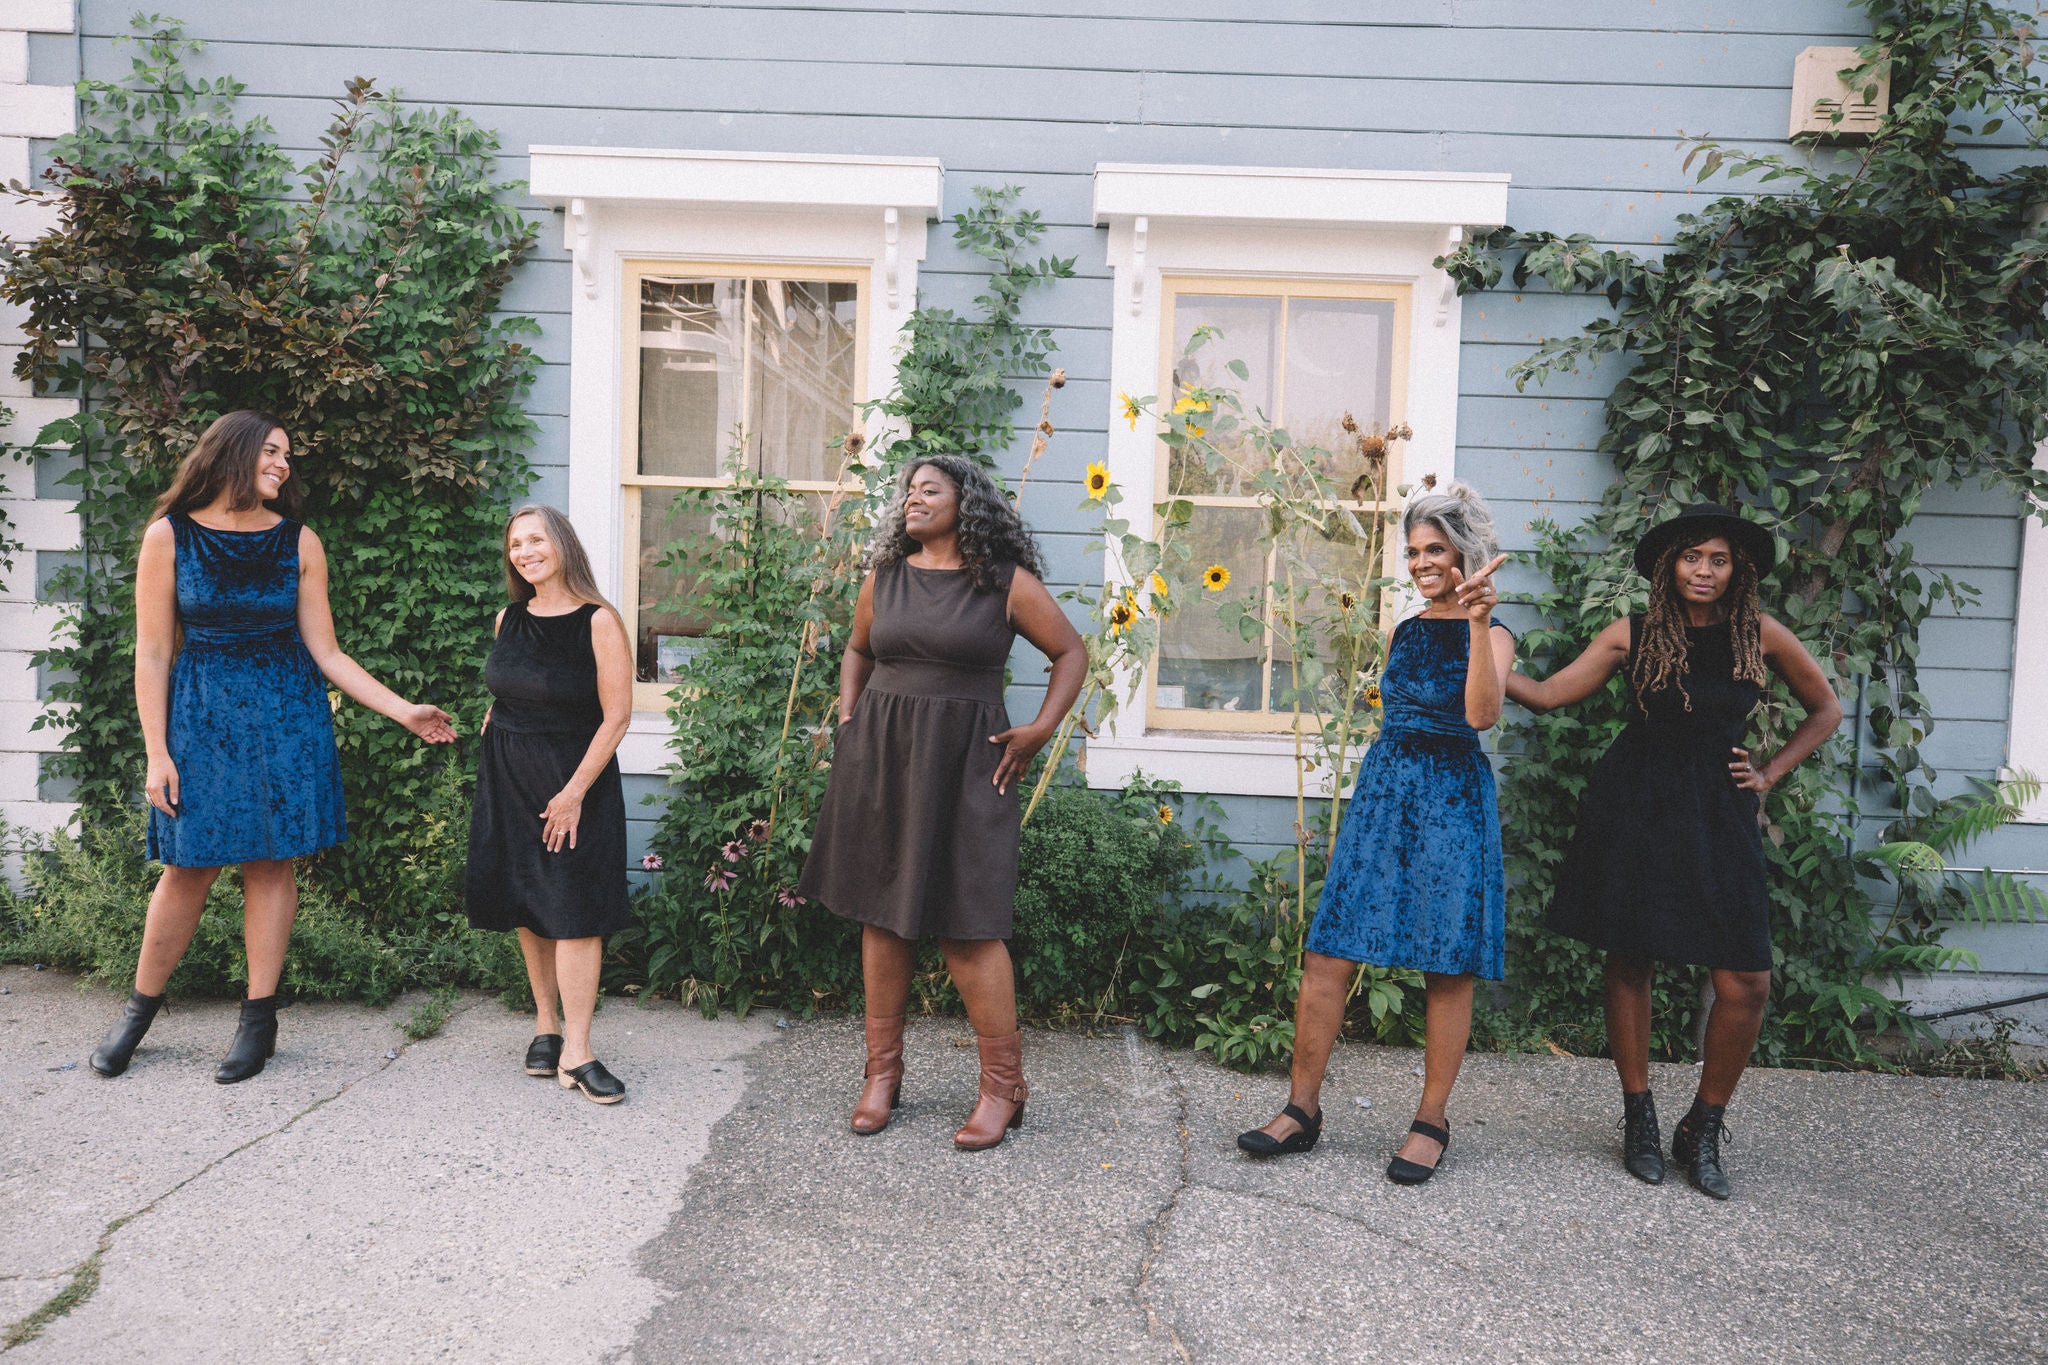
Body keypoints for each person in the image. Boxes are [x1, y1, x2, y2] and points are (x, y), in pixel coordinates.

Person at [91, 411, 457, 1084]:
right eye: (272, 450)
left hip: (286, 718)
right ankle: (138, 1014)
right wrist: (155, 750)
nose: (284, 464)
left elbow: (327, 651)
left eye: (288, 453)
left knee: (269, 864)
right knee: (187, 868)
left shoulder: (300, 541)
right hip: (199, 720)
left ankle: (258, 1020)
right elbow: (150, 653)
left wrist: (403, 709)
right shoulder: (167, 538)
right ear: (230, 452)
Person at [1503, 503, 1841, 1199]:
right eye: (1692, 557)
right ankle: (1639, 1117)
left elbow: (1826, 708)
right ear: (1669, 565)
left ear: (1737, 568)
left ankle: (1702, 1126)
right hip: (1638, 803)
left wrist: (1770, 773)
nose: (1705, 571)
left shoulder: (1762, 634)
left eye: (1718, 559)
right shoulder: (1632, 633)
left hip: (1720, 810)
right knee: (1631, 956)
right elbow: (1543, 695)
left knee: (1746, 980)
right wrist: (1476, 637)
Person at [799, 455, 1084, 1149]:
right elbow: (858, 651)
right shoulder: (884, 579)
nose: (913, 500)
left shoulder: (1003, 585)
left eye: (931, 490)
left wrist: (1040, 730)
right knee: (882, 917)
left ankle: (1002, 1086)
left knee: (968, 924)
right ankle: (882, 1075)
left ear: (968, 503)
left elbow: (1071, 652)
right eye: (909, 492)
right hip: (884, 763)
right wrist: (849, 718)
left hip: (966, 765)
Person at [1238, 482, 1513, 1185]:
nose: (1422, 562)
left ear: (1465, 553)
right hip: (1387, 793)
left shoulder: (1498, 633)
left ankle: (1431, 1120)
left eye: (1436, 550)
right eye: (1414, 550)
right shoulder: (1404, 628)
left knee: (1446, 965)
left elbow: (1481, 715)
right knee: (1329, 951)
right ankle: (1302, 1109)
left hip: (1453, 798)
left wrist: (1479, 624)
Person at [464, 504, 634, 1105]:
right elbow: (507, 688)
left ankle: (579, 1050)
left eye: (536, 539)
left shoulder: (598, 621)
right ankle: (546, 1026)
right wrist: (496, 721)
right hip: (509, 776)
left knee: (575, 908)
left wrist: (572, 794)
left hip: (573, 782)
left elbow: (617, 717)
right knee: (528, 900)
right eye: (515, 543)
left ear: (561, 544)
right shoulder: (507, 618)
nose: (525, 551)